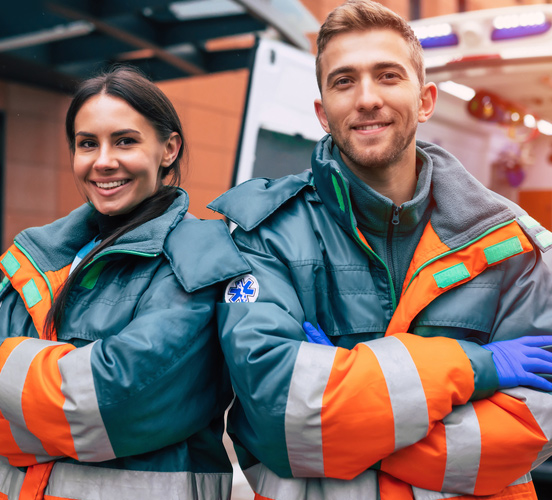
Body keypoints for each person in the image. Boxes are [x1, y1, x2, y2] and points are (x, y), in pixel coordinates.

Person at [209, 1, 552, 499]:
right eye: (344, 81)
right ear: (323, 113)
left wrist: (346, 405)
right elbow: (278, 415)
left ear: (426, 100)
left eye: (388, 76)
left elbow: (532, 426)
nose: (367, 98)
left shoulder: (511, 242)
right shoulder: (263, 235)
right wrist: (477, 367)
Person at [0, 66, 249, 500]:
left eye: (125, 141)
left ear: (169, 148)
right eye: (87, 144)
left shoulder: (198, 260)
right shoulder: (35, 257)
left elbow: (114, 402)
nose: (103, 161)